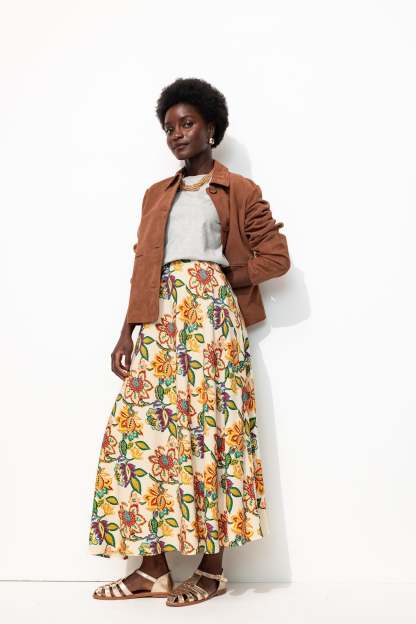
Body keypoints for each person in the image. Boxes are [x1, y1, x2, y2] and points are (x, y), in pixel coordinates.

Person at [88, 77, 290, 607]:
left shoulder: (238, 189)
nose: (176, 134)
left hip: (212, 324)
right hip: (159, 322)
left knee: (209, 433)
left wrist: (222, 277)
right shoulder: (156, 194)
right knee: (143, 434)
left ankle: (211, 570)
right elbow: (143, 266)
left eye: (187, 123)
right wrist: (127, 331)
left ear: (211, 128)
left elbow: (276, 256)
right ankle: (152, 570)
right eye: (169, 127)